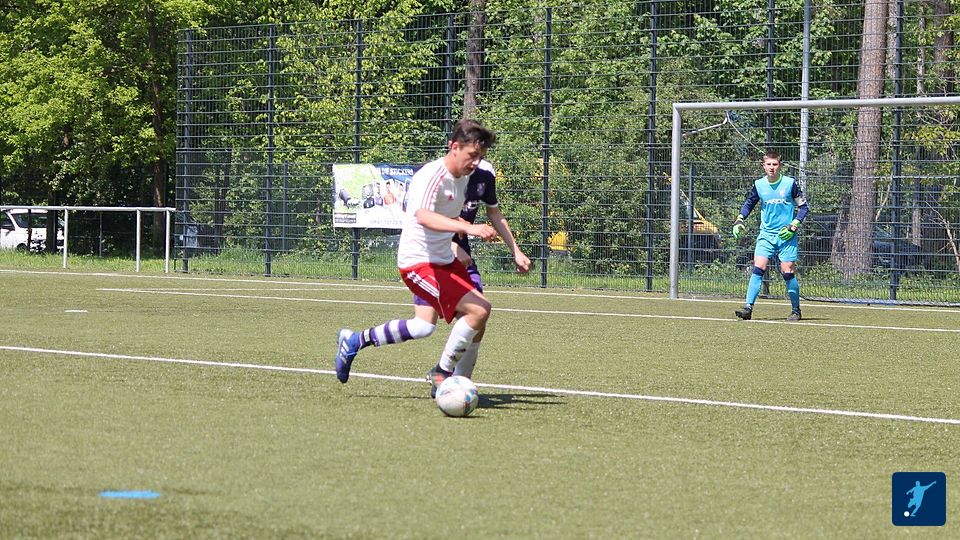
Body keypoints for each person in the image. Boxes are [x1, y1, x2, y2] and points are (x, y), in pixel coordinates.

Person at [334, 119, 498, 397]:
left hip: (442, 259)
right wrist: (468, 229)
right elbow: (423, 216)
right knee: (479, 310)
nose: (475, 163)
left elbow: (444, 216)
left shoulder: (462, 178)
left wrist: (456, 240)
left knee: (423, 326)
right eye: (472, 155)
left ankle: (355, 340)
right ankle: (442, 373)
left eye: (480, 157)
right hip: (418, 263)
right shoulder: (432, 175)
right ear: (454, 147)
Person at [413, 158, 530, 384]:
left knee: (478, 316)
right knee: (423, 326)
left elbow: (494, 213)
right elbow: (420, 218)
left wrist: (515, 250)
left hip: (462, 259)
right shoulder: (437, 174)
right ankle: (358, 340)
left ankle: (458, 381)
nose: (476, 156)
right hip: (430, 256)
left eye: (481, 149)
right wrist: (451, 245)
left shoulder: (485, 173)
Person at [732, 150, 810, 321]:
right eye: (769, 164)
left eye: (775, 164)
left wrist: (793, 225)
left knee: (787, 271)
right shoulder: (759, 185)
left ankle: (796, 310)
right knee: (758, 267)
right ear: (764, 166)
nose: (772, 167)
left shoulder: (790, 184)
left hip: (786, 236)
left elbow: (804, 207)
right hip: (766, 234)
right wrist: (739, 219)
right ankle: (748, 308)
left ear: (780, 166)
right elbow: (749, 203)